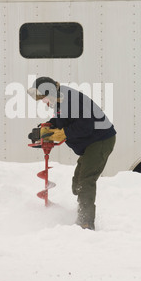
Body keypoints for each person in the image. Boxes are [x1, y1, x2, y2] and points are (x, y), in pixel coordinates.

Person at [28, 76, 116, 230]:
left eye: (43, 97)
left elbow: (85, 126)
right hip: (91, 142)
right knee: (77, 185)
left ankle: (85, 222)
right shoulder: (59, 99)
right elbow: (63, 119)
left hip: (100, 140)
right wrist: (47, 127)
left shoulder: (70, 99)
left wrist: (63, 133)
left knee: (85, 181)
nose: (43, 101)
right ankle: (82, 212)